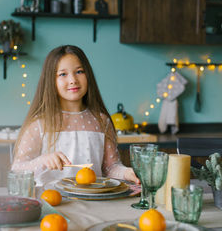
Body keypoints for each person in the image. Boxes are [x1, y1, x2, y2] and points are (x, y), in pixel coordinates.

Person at [12, 45, 139, 186]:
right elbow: (17, 169)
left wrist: (127, 172)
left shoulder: (102, 121)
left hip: (93, 204)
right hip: (51, 204)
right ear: (51, 81)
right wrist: (43, 160)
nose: (73, 80)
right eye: (63, 74)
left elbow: (110, 168)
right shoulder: (39, 124)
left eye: (79, 71)